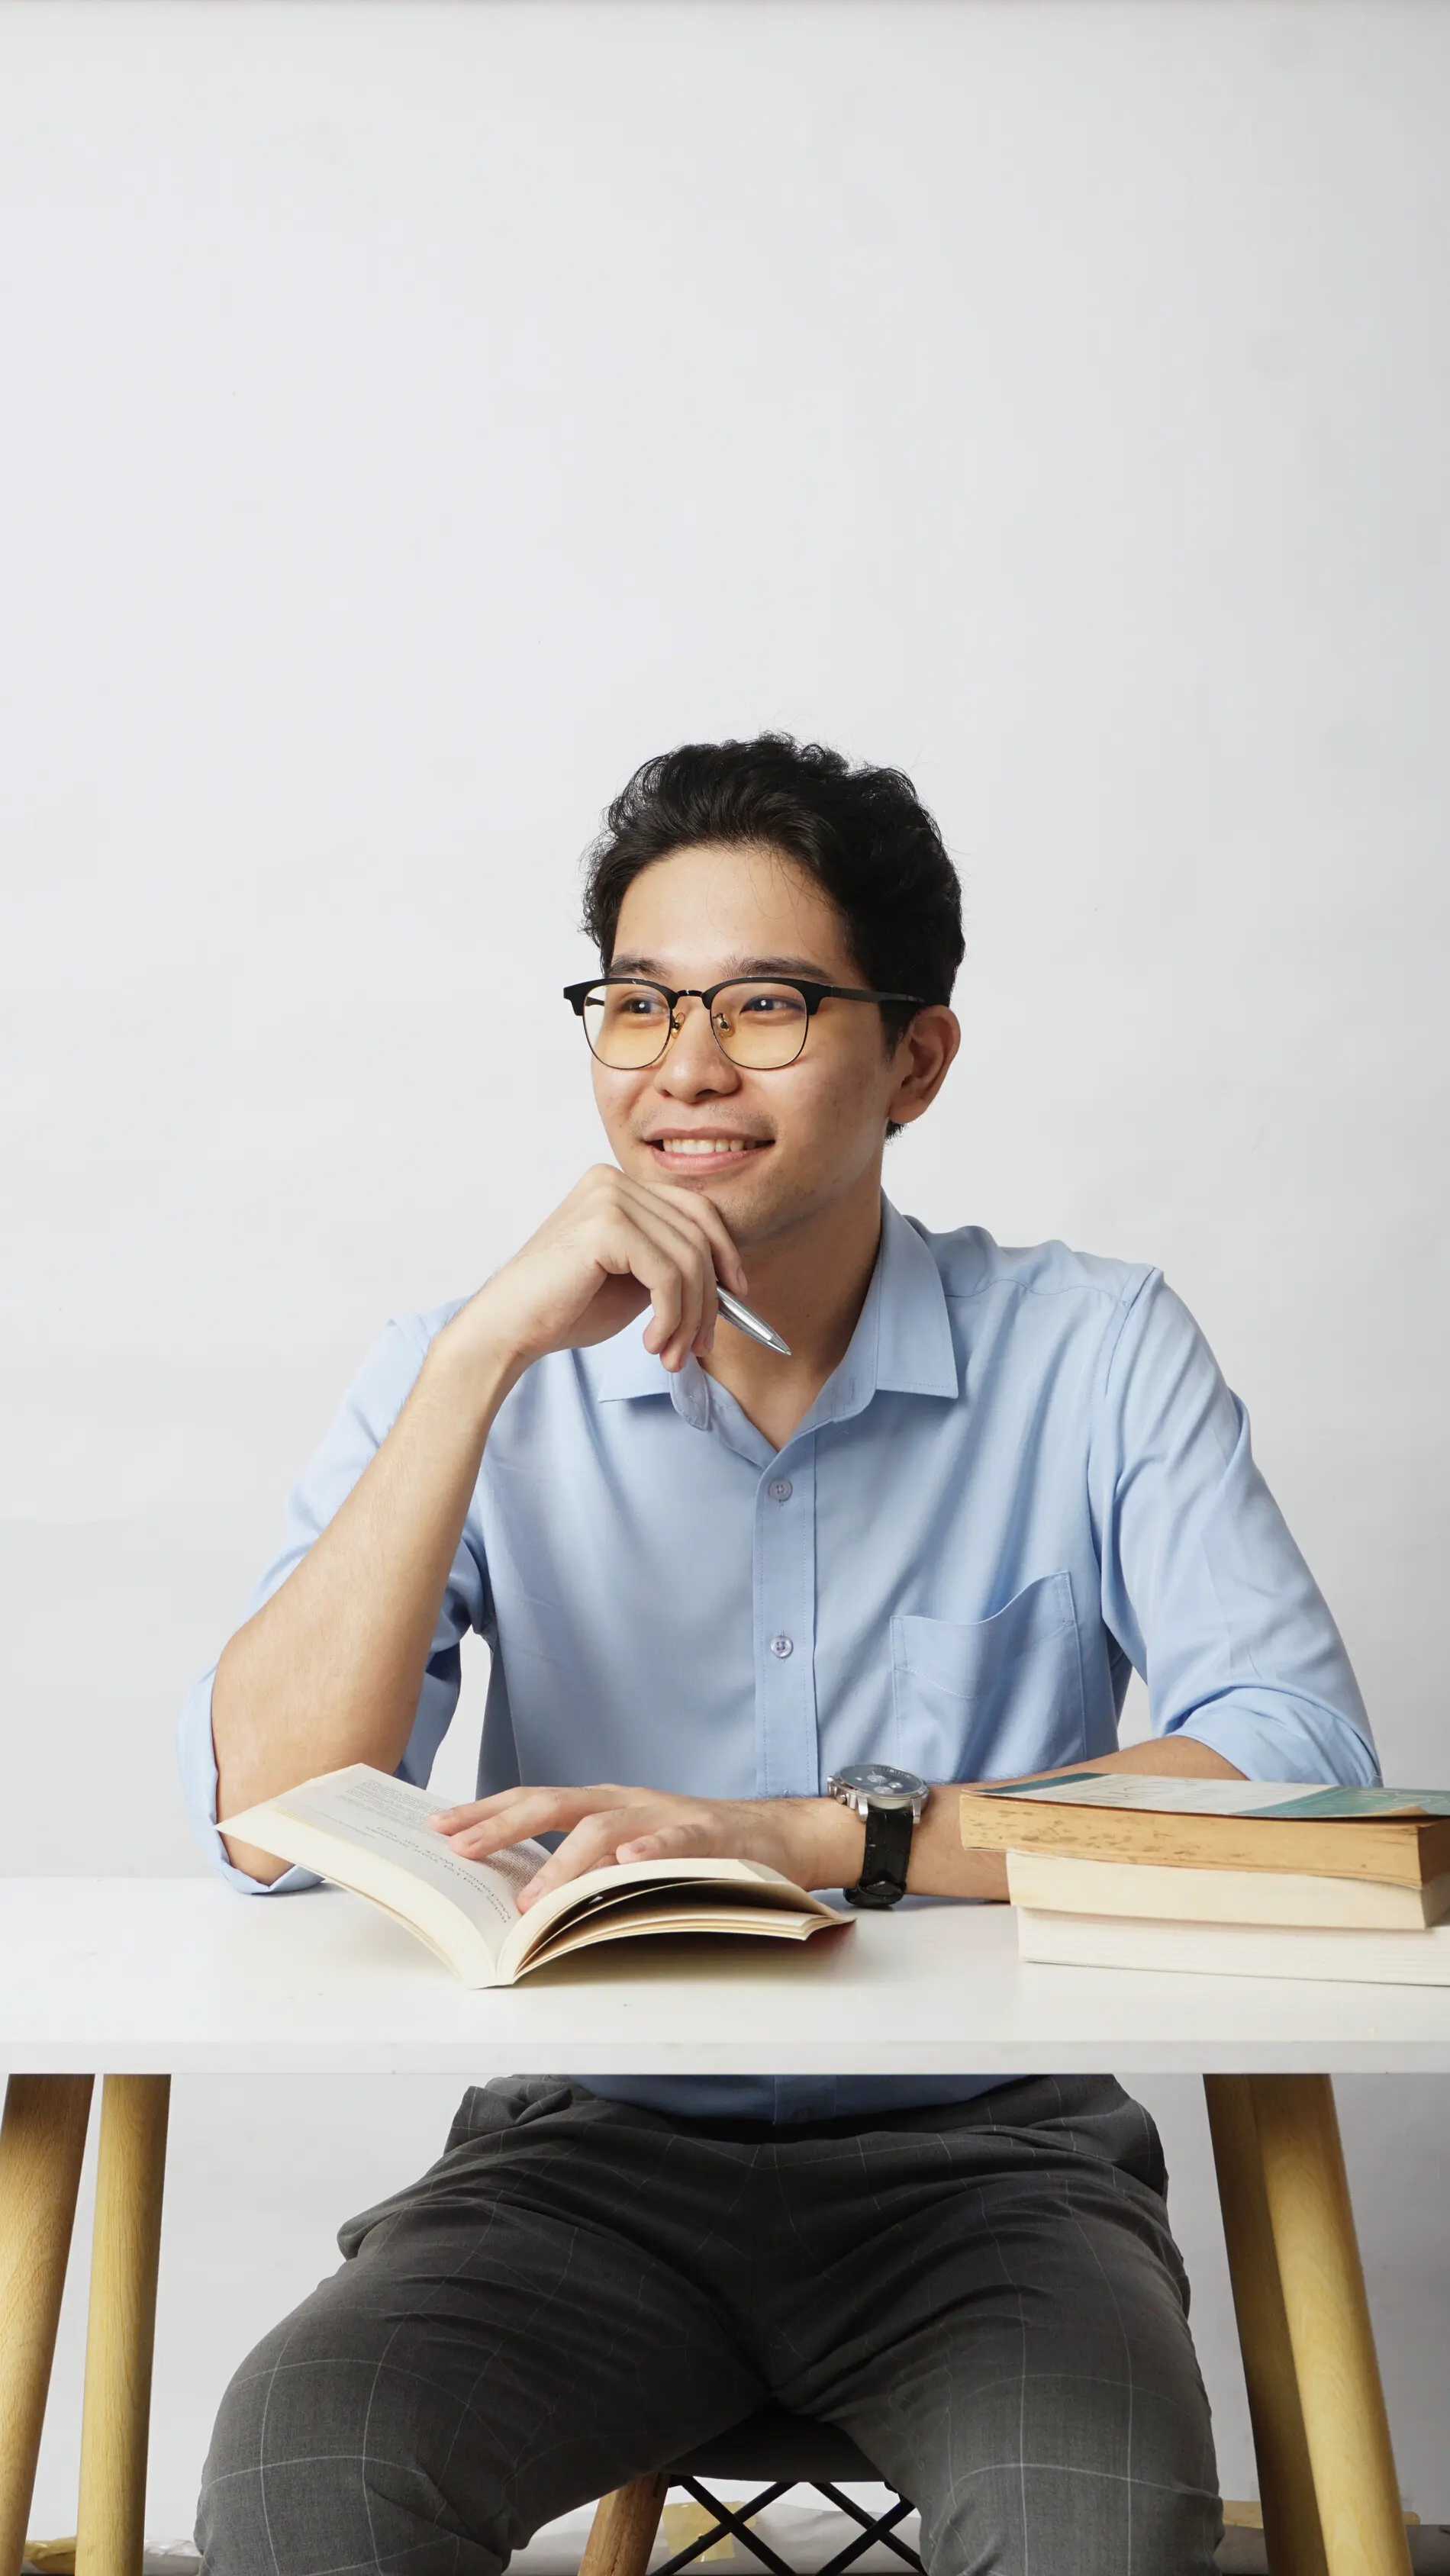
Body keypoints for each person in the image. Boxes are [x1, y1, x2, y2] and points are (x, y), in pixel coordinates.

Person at [181, 734, 1375, 2576]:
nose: (685, 1068)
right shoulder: (475, 1366)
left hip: (991, 2167)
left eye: (763, 1003)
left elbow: (1294, 1769)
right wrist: (478, 1355)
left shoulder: (1091, 1348)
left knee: (1093, 2531)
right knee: (300, 2475)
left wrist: (827, 1835)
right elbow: (266, 1816)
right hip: (577, 2161)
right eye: (637, 1005)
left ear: (914, 1057)